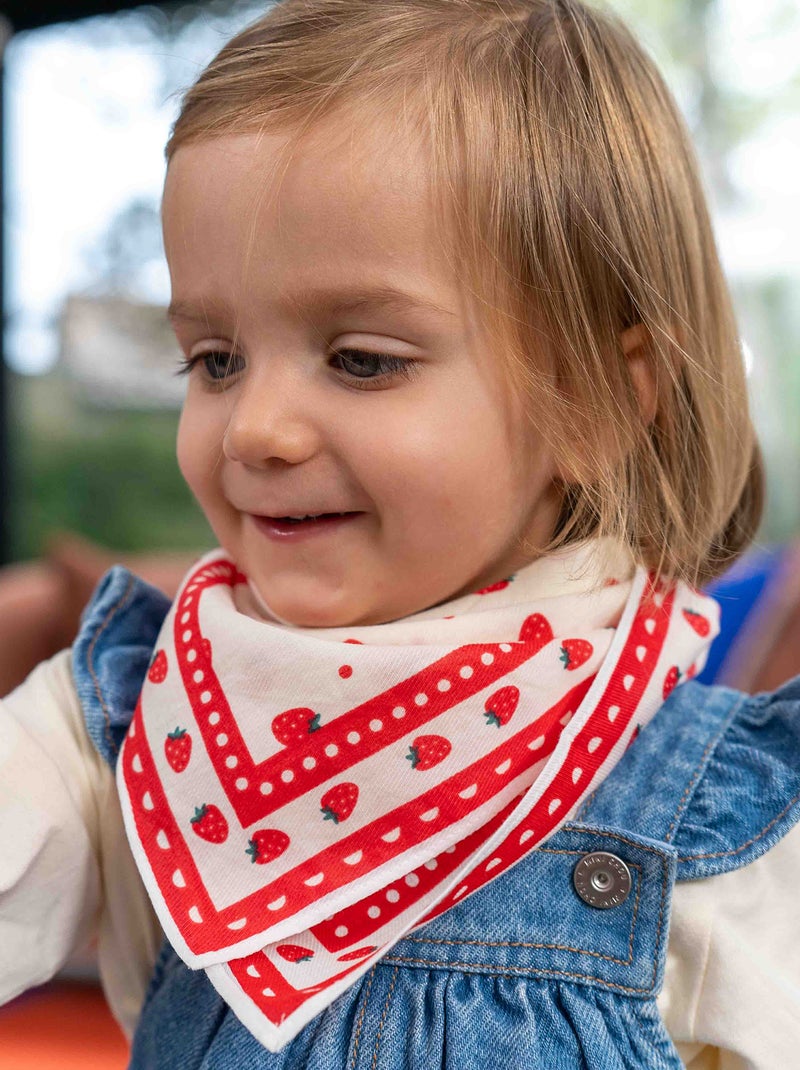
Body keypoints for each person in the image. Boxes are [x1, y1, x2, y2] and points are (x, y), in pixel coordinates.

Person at [1, 0, 798, 1066]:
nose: (255, 428)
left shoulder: (719, 816)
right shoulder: (126, 712)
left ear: (598, 404)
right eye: (214, 358)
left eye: (362, 359)